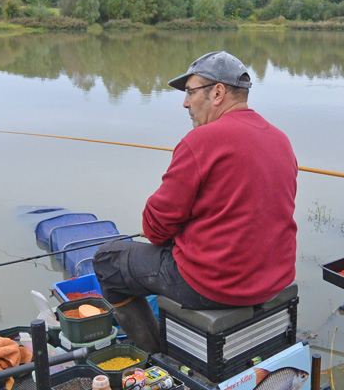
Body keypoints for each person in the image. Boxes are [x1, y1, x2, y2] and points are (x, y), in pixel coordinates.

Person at [93, 51, 298, 353]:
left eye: (190, 92)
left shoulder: (201, 141)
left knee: (108, 261)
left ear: (217, 93)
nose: (185, 103)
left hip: (215, 285)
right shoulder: (281, 139)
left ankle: (156, 356)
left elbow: (155, 230)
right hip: (275, 279)